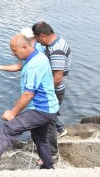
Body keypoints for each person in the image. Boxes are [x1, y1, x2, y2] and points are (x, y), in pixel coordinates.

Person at [0, 34, 59, 172]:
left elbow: (28, 94)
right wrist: (2, 67)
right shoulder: (34, 56)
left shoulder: (35, 64)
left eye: (14, 50)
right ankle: (47, 166)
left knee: (9, 128)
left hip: (42, 109)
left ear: (25, 47)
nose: (13, 53)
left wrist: (12, 113)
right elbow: (20, 66)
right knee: (40, 138)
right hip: (49, 107)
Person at [32, 21, 72, 161]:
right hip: (53, 90)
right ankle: (49, 143)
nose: (36, 41)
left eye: (36, 38)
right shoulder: (55, 43)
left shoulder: (57, 50)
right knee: (49, 119)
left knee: (48, 122)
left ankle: (52, 154)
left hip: (54, 91)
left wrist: (40, 91)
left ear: (42, 36)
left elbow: (57, 78)